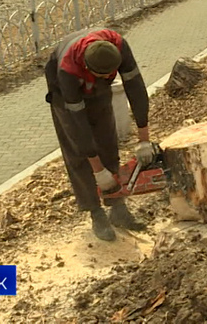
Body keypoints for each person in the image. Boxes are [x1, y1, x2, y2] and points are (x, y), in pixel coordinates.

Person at [45, 27, 157, 241]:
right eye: (104, 75)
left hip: (95, 87)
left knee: (107, 139)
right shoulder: (67, 71)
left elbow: (136, 89)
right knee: (78, 151)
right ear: (88, 67)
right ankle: (96, 213)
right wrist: (98, 171)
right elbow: (79, 125)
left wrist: (144, 140)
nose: (109, 77)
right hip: (65, 94)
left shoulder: (119, 47)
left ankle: (118, 207)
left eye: (111, 73)